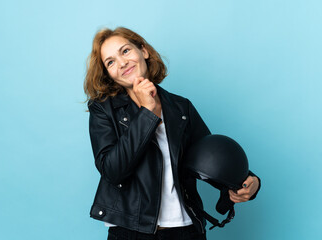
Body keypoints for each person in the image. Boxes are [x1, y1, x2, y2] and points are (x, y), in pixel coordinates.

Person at [84, 27, 260, 240]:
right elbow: (112, 170)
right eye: (110, 62)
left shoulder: (181, 108)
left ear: (144, 51)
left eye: (125, 51)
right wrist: (148, 113)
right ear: (108, 74)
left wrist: (248, 181)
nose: (122, 63)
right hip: (132, 232)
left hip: (186, 230)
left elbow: (210, 159)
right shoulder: (103, 109)